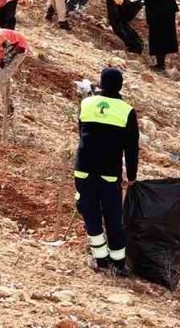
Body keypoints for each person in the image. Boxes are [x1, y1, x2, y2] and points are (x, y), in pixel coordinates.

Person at [74, 67, 139, 277]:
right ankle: (119, 264)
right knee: (113, 217)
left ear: (100, 84)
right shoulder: (126, 111)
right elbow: (131, 148)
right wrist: (132, 176)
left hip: (83, 168)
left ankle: (100, 259)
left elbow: (81, 132)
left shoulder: (86, 104)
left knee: (90, 213)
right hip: (109, 173)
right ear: (120, 86)